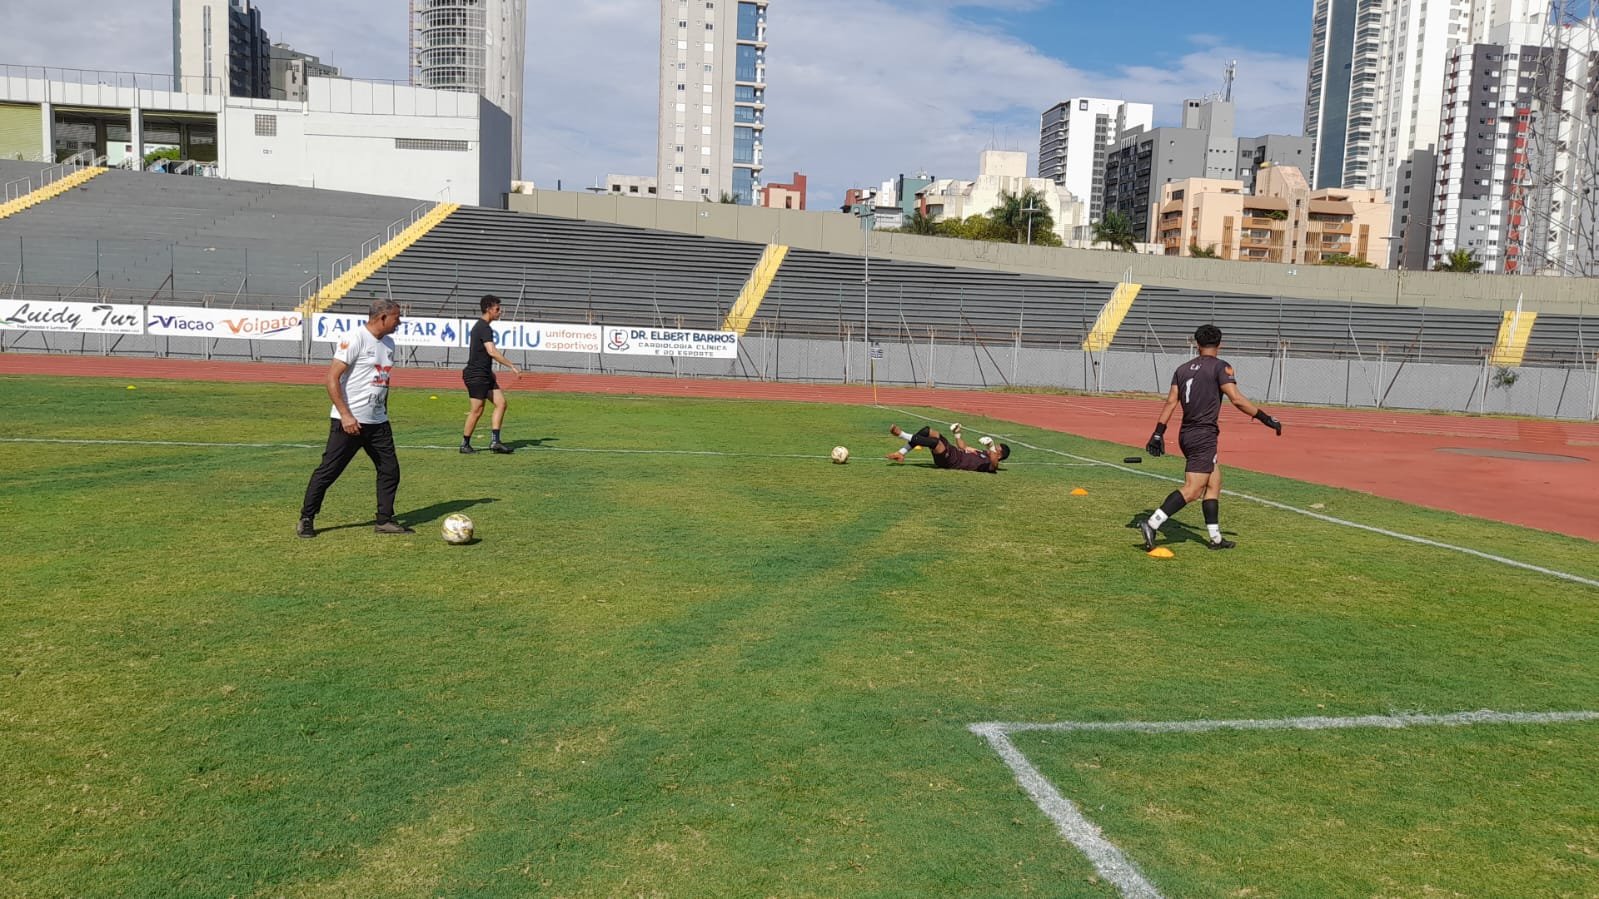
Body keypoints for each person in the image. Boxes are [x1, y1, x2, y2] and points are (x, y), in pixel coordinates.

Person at [1136, 324, 1282, 551]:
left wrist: (1158, 432)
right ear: (1220, 344)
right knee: (1193, 489)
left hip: (1187, 433)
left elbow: (1171, 402)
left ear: (1197, 343)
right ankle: (1152, 523)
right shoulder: (1221, 367)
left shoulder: (1182, 369)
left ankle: (1215, 538)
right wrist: (1265, 418)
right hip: (1203, 434)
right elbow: (1237, 399)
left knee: (1214, 482)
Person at [296, 299, 413, 537]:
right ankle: (306, 518)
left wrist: (383, 410)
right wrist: (346, 416)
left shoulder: (389, 343)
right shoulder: (355, 338)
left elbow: (383, 382)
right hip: (349, 423)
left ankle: (384, 520)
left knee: (390, 469)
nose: (399, 322)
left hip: (378, 422)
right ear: (382, 317)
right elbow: (331, 378)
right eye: (396, 318)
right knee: (329, 471)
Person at [460, 294, 521, 454]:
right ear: (488, 309)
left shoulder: (483, 327)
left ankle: (495, 442)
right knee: (477, 410)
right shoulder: (483, 327)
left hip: (485, 374)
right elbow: (491, 351)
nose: (500, 312)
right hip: (476, 375)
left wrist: (491, 373)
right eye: (497, 309)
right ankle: (464, 444)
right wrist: (511, 366)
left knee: (501, 403)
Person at [887, 423, 1009, 473]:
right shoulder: (982, 453)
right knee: (928, 431)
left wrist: (991, 446)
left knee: (935, 443)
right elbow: (963, 447)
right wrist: (957, 434)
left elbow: (994, 464)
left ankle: (902, 434)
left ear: (999, 455)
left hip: (950, 460)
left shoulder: (990, 464)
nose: (991, 450)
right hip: (954, 451)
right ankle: (901, 453)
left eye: (995, 450)